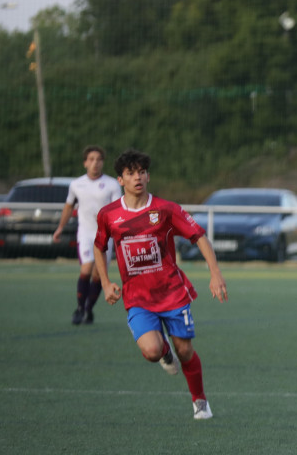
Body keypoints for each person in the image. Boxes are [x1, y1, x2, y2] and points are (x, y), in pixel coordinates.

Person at [93, 149, 228, 420]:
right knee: (153, 351)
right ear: (120, 179)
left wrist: (215, 273)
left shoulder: (166, 209)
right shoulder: (109, 215)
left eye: (141, 172)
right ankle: (165, 352)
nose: (137, 178)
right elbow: (99, 246)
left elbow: (199, 237)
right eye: (130, 173)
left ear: (148, 175)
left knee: (186, 350)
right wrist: (106, 283)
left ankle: (199, 400)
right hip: (138, 298)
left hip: (172, 293)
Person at [53, 145, 123, 325]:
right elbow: (69, 206)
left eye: (98, 160)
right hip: (85, 233)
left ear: (103, 163)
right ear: (85, 163)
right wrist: (60, 227)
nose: (95, 163)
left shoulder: (112, 184)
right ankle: (79, 308)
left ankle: (88, 309)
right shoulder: (76, 184)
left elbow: (117, 210)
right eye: (91, 159)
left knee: (98, 276)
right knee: (86, 267)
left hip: (105, 236)